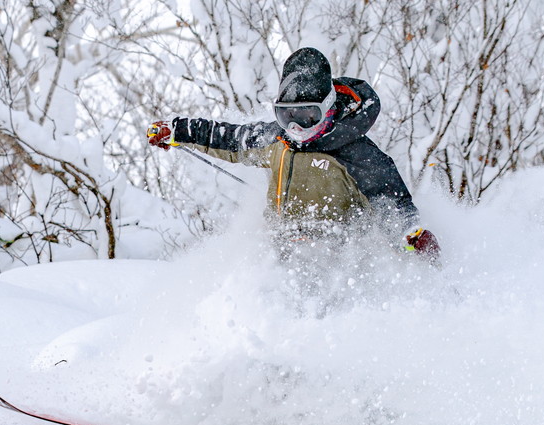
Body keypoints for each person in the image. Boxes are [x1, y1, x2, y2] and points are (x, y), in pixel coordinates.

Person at [147, 47, 440, 263]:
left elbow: (392, 200)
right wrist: (178, 130)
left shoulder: (356, 154)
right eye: (287, 116)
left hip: (339, 260)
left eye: (308, 115)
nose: (297, 126)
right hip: (280, 255)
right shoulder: (278, 139)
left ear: (328, 107)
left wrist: (410, 232)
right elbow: (230, 139)